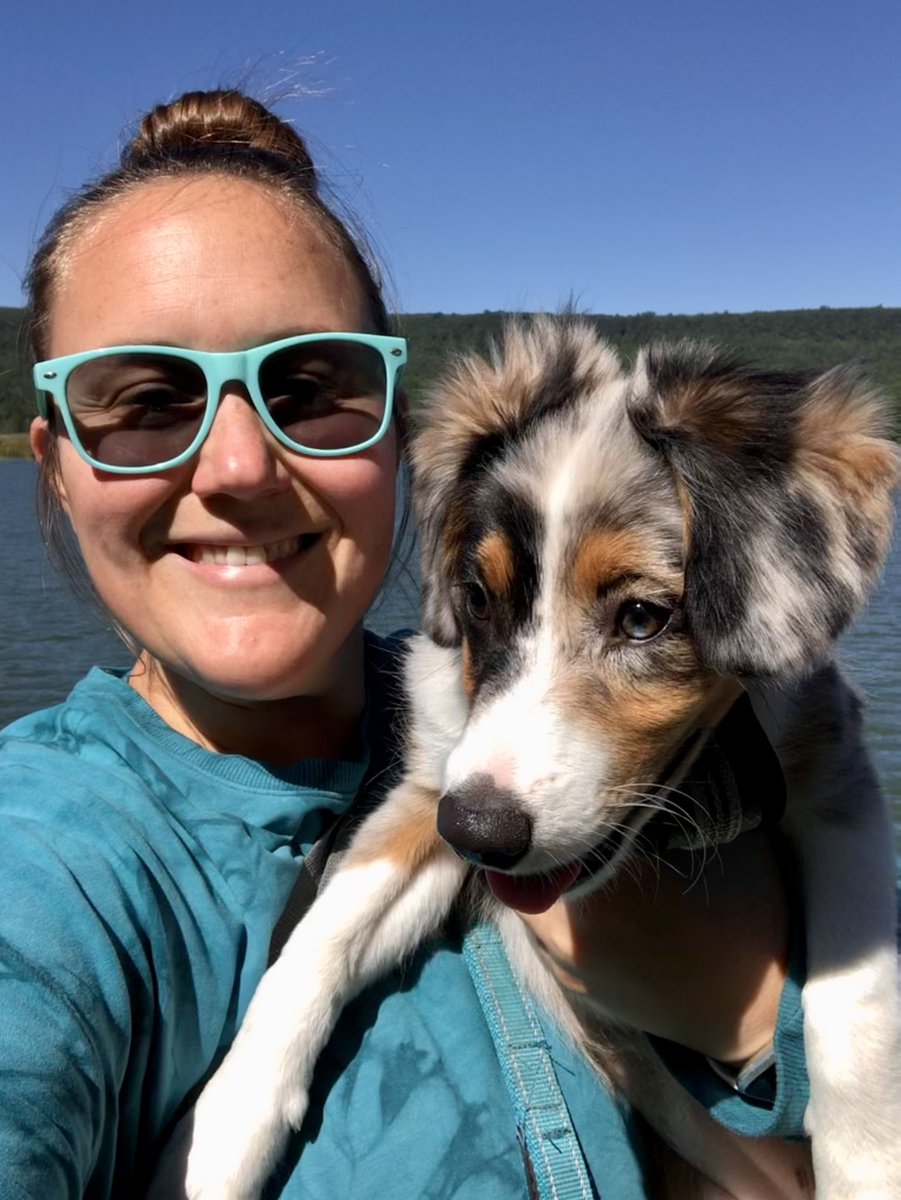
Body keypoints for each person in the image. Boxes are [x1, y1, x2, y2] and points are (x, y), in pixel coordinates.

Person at [0, 88, 812, 1199]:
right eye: (142, 401)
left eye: (309, 388)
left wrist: (776, 1022)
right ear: (53, 462)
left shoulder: (590, 717)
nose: (237, 467)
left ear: (393, 434)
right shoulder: (47, 859)